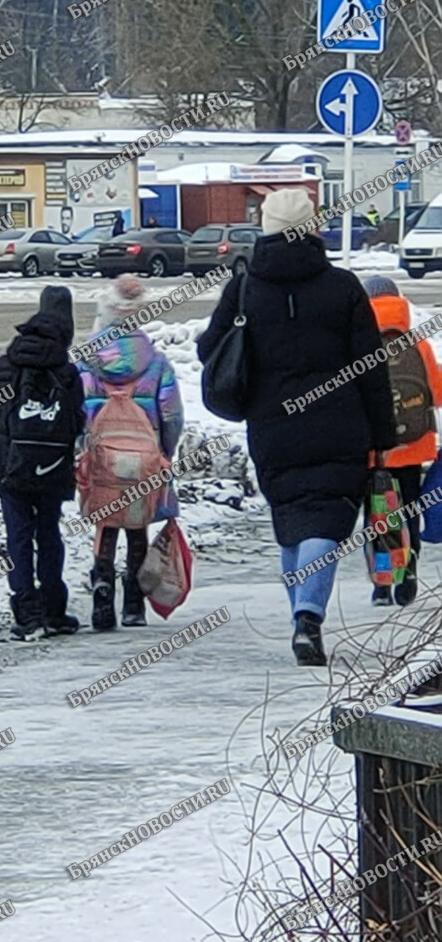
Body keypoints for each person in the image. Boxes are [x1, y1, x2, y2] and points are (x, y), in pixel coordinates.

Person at [198, 188, 396, 666]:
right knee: (327, 518)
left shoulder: (245, 287)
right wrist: (384, 436)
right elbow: (372, 368)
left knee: (291, 522)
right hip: (340, 425)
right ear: (312, 228)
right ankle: (308, 617)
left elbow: (210, 350)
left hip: (272, 428)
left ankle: (301, 618)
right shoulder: (344, 287)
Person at [0, 286, 84, 641]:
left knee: (18, 535)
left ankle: (26, 610)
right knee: (50, 532)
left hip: (12, 465)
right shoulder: (65, 369)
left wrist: (6, 440)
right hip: (52, 465)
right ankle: (54, 607)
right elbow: (77, 420)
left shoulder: (10, 361)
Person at [78, 276, 184, 629]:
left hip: (102, 455)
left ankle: (103, 585)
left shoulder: (87, 360)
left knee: (106, 521)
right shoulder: (156, 363)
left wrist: (84, 446)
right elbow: (171, 413)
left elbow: (77, 407)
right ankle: (134, 605)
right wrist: (163, 449)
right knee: (137, 524)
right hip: (144, 456)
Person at [362, 275, 442, 607]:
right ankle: (408, 572)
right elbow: (436, 395)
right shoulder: (418, 343)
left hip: (374, 453)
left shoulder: (358, 344)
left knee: (378, 515)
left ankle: (382, 582)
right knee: (410, 510)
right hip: (414, 445)